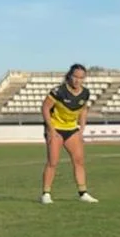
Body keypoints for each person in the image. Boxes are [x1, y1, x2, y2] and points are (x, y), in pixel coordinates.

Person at [40, 64, 97, 205]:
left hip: (71, 129)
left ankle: (83, 193)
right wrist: (51, 130)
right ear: (69, 76)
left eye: (81, 78)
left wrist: (81, 129)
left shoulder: (85, 93)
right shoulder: (58, 91)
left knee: (79, 161)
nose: (77, 80)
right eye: (75, 77)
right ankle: (46, 194)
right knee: (53, 162)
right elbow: (45, 108)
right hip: (56, 128)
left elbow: (83, 110)